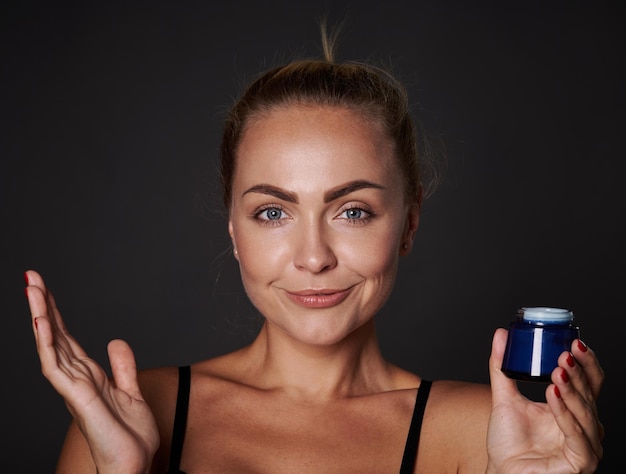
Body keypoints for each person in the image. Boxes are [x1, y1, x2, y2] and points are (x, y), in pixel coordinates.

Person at [24, 24, 604, 473]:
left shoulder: (492, 430)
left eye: (352, 211)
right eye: (272, 213)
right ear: (233, 228)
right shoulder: (128, 411)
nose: (313, 257)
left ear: (409, 223)